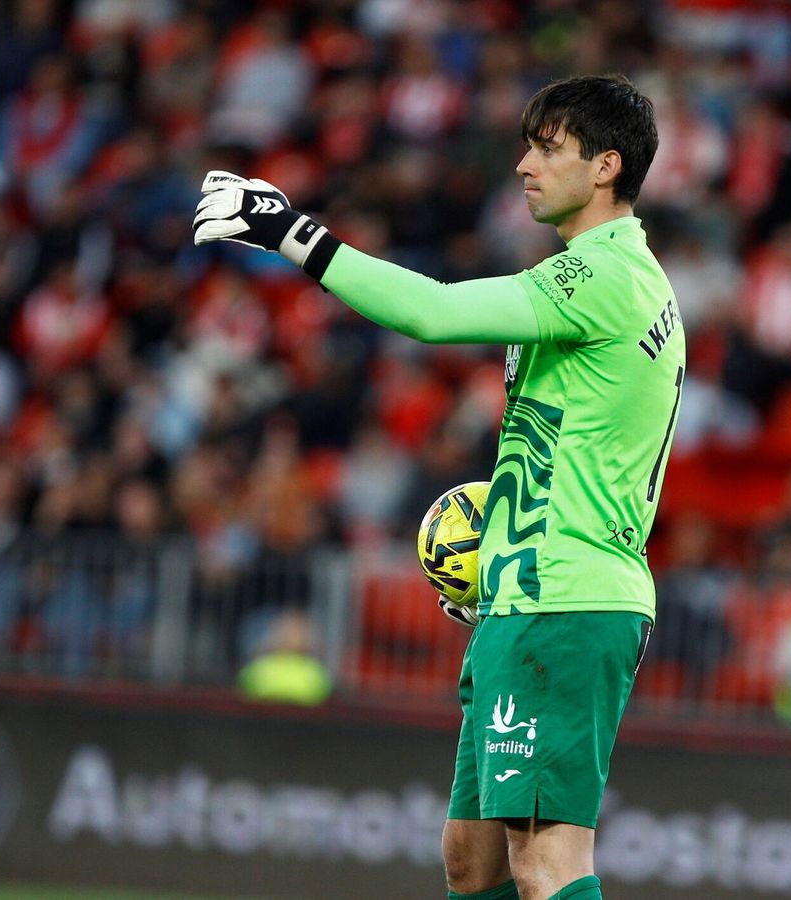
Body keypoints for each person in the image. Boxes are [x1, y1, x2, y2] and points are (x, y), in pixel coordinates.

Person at [192, 74, 677, 900]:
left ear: (606, 166)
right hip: (528, 592)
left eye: (547, 148)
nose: (524, 164)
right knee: (471, 856)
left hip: (565, 598)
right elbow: (571, 448)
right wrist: (496, 563)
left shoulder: (605, 276)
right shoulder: (612, 279)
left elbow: (436, 313)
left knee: (547, 859)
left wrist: (289, 231)